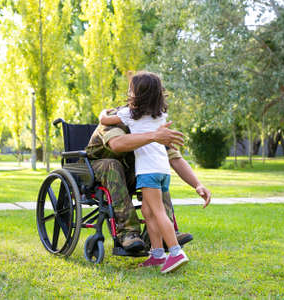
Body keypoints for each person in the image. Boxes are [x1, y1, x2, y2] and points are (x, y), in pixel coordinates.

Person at [85, 75, 211, 257]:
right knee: (112, 165)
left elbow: (174, 157)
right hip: (95, 167)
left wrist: (197, 184)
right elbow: (117, 145)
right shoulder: (120, 116)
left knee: (155, 168)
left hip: (129, 170)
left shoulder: (153, 120)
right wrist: (153, 136)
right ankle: (128, 233)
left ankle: (166, 231)